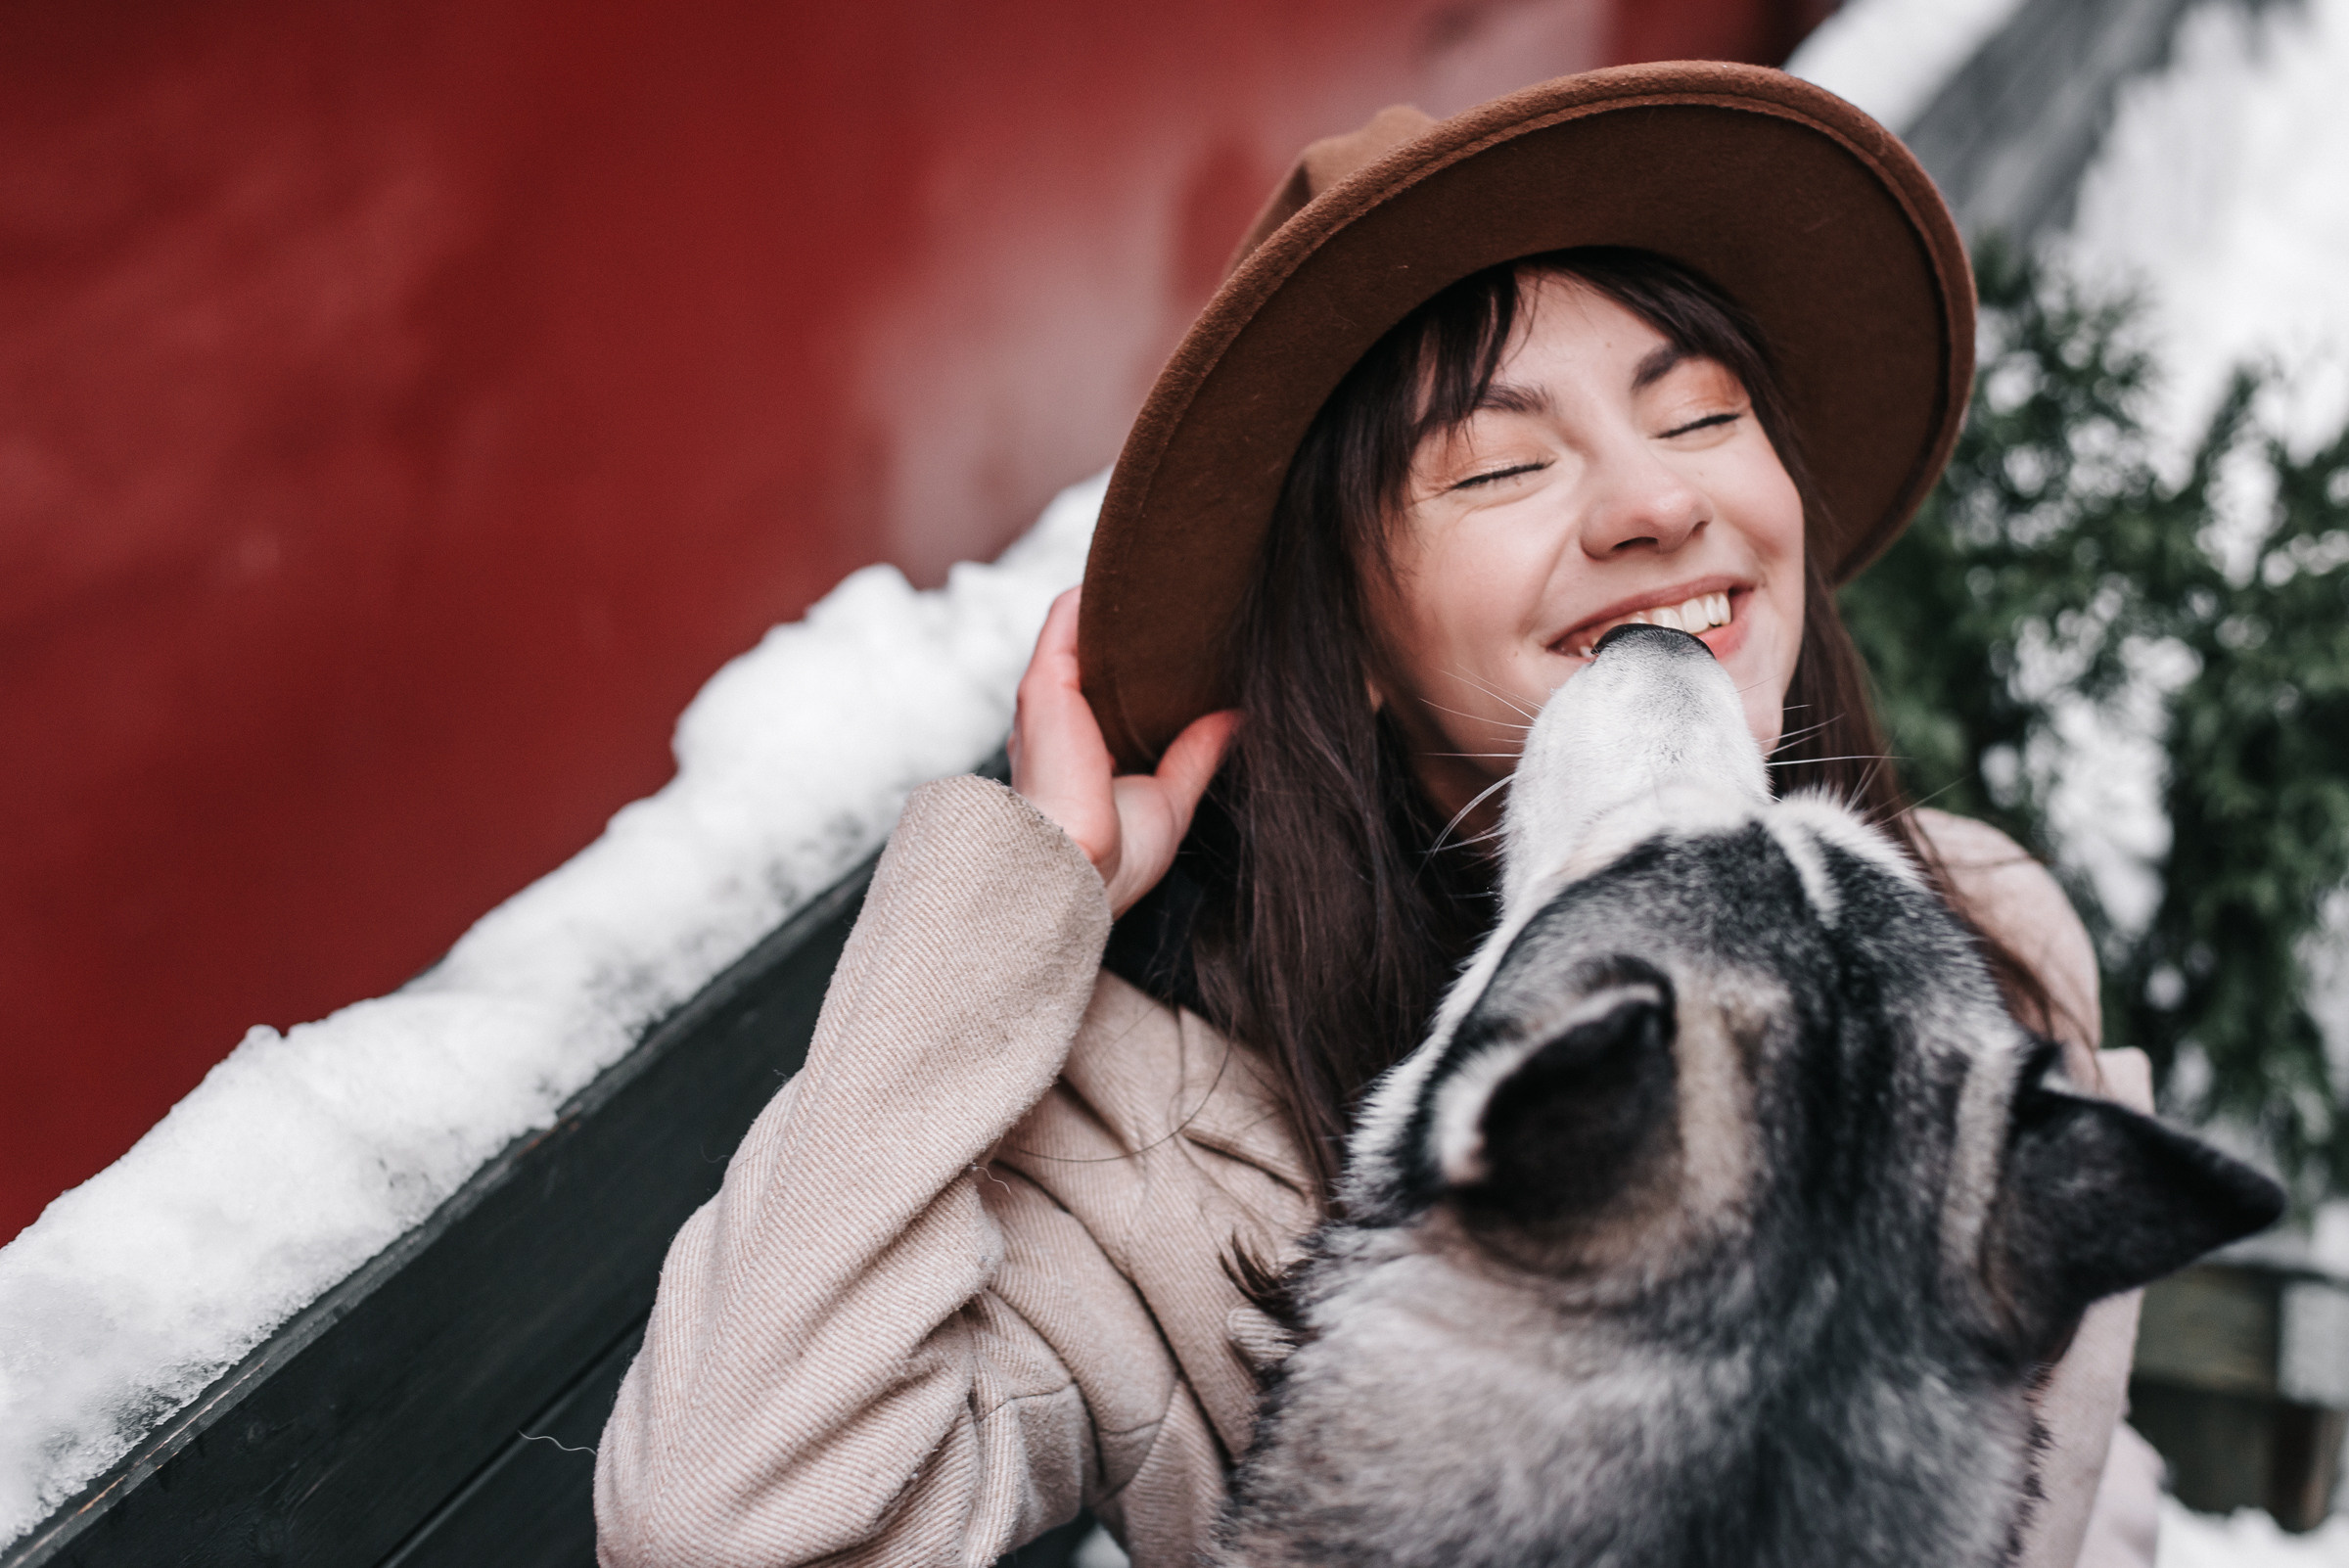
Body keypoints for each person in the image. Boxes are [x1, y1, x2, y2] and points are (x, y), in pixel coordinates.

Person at [594, 63, 2163, 1568]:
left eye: (1701, 418)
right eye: (1500, 465)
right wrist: (1019, 900)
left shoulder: (1985, 940)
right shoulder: (1160, 1159)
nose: (1661, 501)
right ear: (1349, 643)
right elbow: (722, 1521)